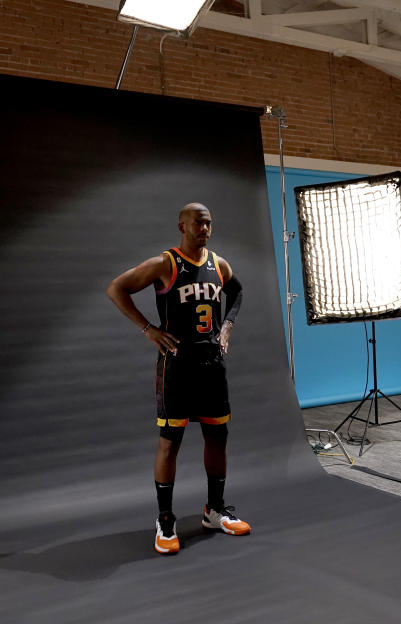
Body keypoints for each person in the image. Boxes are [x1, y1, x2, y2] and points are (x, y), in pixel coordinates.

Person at [107, 203, 250, 555]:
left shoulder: (220, 264)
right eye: (199, 223)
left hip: (212, 366)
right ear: (182, 227)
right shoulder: (165, 264)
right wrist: (148, 329)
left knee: (218, 437)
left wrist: (227, 326)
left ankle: (214, 511)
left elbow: (238, 291)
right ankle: (165, 519)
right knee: (170, 441)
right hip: (177, 366)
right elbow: (117, 289)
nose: (205, 229)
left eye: (209, 224)